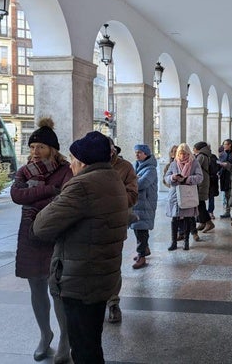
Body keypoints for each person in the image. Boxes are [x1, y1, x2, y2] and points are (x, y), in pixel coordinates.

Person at [31, 131, 128, 364]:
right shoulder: (112, 178)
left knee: (83, 347)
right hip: (101, 274)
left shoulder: (81, 186)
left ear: (82, 162)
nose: (71, 164)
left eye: (73, 159)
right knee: (92, 341)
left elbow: (42, 226)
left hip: (80, 277)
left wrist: (57, 199)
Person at [10, 118, 73, 363]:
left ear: (52, 149)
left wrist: (34, 198)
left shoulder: (65, 171)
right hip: (29, 236)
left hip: (55, 235)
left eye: (41, 147)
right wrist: (48, 191)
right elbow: (16, 195)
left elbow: (63, 203)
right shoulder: (24, 171)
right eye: (32, 147)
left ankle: (64, 341)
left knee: (57, 289)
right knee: (36, 288)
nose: (35, 152)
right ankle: (44, 335)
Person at [106, 138, 138, 324]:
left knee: (112, 264)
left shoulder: (125, 167)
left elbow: (132, 196)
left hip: (115, 222)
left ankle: (113, 303)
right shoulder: (86, 164)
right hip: (89, 223)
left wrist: (105, 197)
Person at [165, 143, 203, 250]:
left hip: (188, 194)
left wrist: (186, 179)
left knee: (187, 218)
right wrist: (173, 177)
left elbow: (200, 177)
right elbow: (166, 177)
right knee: (175, 218)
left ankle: (186, 241)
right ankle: (174, 242)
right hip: (175, 195)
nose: (182, 156)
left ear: (188, 153)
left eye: (184, 153)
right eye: (180, 153)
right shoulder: (174, 163)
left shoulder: (194, 163)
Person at [130, 144, 158, 269]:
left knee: (141, 230)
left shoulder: (150, 169)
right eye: (136, 152)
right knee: (137, 228)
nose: (137, 154)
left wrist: (132, 180)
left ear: (146, 154)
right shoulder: (137, 167)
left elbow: (142, 184)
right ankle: (144, 250)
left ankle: (142, 257)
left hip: (146, 204)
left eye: (140, 152)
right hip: (138, 204)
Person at [192, 141, 215, 235]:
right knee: (200, 203)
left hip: (201, 182)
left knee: (200, 203)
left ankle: (209, 222)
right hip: (204, 181)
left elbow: (194, 166)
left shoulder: (201, 155)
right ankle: (202, 222)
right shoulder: (206, 154)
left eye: (194, 148)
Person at [218, 139, 232, 218]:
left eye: (226, 144)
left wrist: (227, 165)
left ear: (230, 145)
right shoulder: (222, 154)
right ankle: (227, 211)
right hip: (224, 176)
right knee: (227, 194)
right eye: (223, 144)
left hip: (231, 176)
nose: (224, 146)